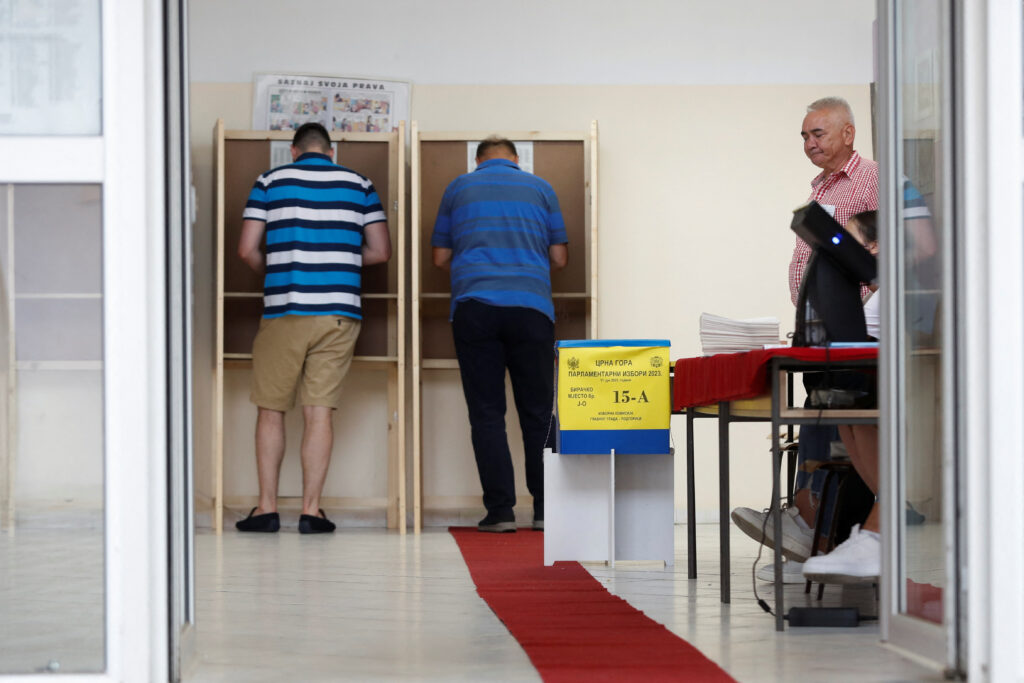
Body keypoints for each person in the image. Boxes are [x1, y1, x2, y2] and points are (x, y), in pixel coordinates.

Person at [731, 97, 879, 578]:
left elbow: (875, 249)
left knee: (831, 414)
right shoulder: (822, 184)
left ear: (848, 133)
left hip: (857, 327)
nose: (809, 143)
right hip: (819, 326)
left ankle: (811, 516)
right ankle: (806, 517)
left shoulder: (869, 179)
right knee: (816, 409)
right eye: (804, 136)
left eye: (817, 134)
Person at [235, 122, 391, 534]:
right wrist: (340, 256)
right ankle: (311, 511)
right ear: (331, 151)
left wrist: (275, 269)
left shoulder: (270, 180)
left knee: (271, 411)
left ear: (294, 150)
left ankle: (266, 509)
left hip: (284, 307)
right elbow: (380, 251)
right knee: (318, 413)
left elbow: (247, 249)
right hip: (339, 311)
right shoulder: (360, 183)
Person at [431, 136, 568, 533]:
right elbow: (559, 257)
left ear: (478, 161)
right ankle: (545, 510)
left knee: (487, 413)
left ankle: (500, 512)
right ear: (516, 159)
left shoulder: (458, 187)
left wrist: (476, 264)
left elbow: (440, 256)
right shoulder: (542, 188)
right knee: (539, 413)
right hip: (532, 309)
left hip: (476, 309)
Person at [803, 211, 882, 581]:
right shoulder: (875, 295)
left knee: (855, 409)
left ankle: (878, 530)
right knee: (843, 413)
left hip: (882, 377)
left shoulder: (893, 289)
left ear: (875, 246)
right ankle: (872, 527)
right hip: (866, 373)